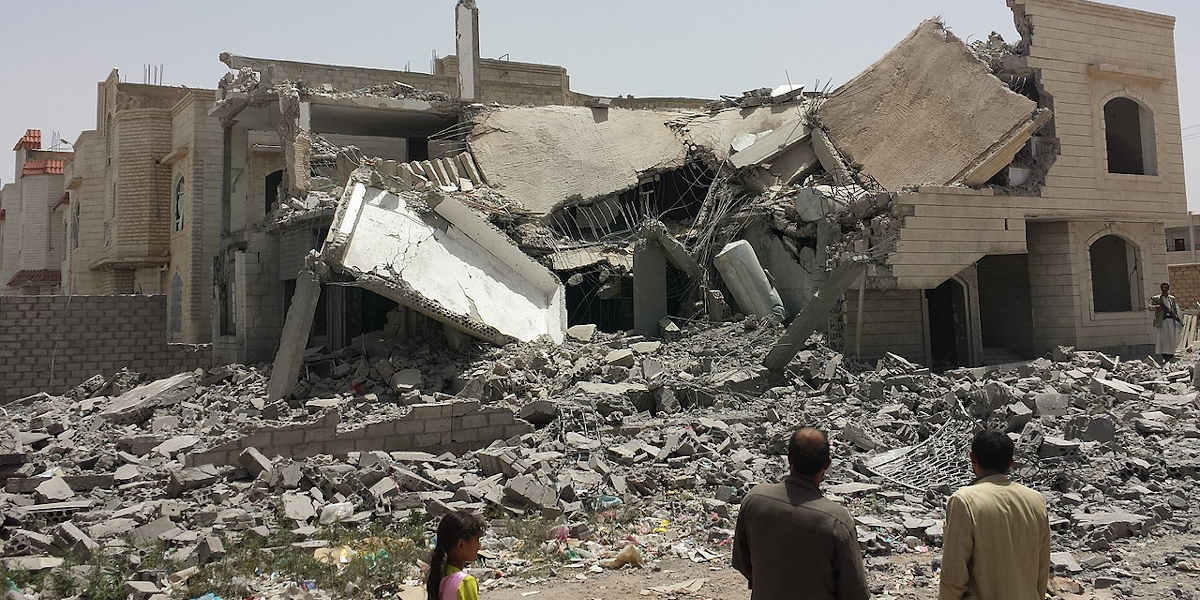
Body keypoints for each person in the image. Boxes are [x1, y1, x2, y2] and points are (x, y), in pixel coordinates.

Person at [733, 428, 868, 600]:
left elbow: (742, 561)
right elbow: (855, 593)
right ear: (827, 464)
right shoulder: (836, 521)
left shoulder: (754, 499)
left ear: (789, 459)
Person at [940, 431, 1050, 600]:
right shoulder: (1036, 500)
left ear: (972, 458)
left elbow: (953, 574)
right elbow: (1042, 570)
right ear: (1011, 463)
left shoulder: (964, 501)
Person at [427, 510, 486, 600]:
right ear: (461, 544)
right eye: (477, 540)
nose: (479, 546)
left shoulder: (440, 575)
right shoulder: (465, 582)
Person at [1148, 282, 1183, 361]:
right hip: (1162, 321)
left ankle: (1170, 355)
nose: (1164, 289)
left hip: (1171, 320)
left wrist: (1178, 319)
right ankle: (1164, 356)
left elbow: (1174, 310)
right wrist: (1157, 307)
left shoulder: (1172, 298)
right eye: (1163, 288)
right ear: (1161, 289)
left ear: (1168, 288)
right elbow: (1149, 307)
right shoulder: (1156, 298)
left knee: (1171, 338)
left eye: (1166, 288)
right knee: (1163, 339)